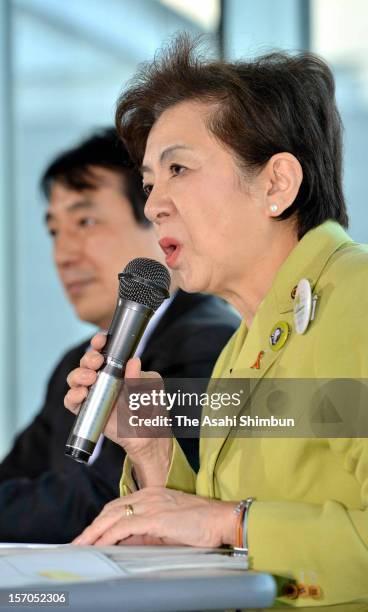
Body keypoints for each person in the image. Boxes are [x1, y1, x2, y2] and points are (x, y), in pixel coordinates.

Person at [66, 38, 368, 610]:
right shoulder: (243, 344)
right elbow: (222, 555)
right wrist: (154, 454)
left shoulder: (358, 297)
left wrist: (231, 521)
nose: (153, 204)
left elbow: (231, 528)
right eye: (151, 182)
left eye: (179, 168)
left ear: (276, 184)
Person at [0, 127, 240, 543]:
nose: (63, 254)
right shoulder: (77, 362)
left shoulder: (208, 343)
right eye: (55, 231)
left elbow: (105, 499)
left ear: (156, 222)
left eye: (86, 221)